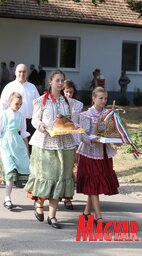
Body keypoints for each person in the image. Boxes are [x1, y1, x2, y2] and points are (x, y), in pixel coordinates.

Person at [24, 70, 76, 229]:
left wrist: (71, 125)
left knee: (60, 177)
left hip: (63, 142)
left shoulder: (67, 101)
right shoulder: (41, 101)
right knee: (45, 177)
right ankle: (39, 204)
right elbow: (34, 120)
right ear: (50, 82)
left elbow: (69, 120)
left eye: (62, 80)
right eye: (57, 80)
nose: (60, 83)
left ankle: (52, 216)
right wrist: (41, 126)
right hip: (44, 143)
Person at [76, 86, 120, 225]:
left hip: (103, 152)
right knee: (93, 183)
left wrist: (116, 139)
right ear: (93, 98)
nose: (103, 101)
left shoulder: (108, 114)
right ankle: (98, 217)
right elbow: (82, 135)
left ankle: (86, 213)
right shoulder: (86, 115)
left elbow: (111, 131)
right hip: (89, 153)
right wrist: (91, 139)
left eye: (105, 98)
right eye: (100, 98)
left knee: (95, 183)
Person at [0, 92, 30, 210]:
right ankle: (7, 197)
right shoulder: (4, 115)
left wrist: (27, 150)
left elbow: (24, 133)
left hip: (17, 144)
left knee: (24, 167)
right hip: (6, 144)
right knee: (10, 170)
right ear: (10, 103)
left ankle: (31, 194)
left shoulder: (21, 116)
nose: (18, 106)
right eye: (16, 104)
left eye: (20, 104)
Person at [0, 64, 40, 152]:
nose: (22, 74)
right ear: (15, 73)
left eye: (24, 72)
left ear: (27, 73)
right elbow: (2, 106)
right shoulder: (9, 87)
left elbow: (39, 106)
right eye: (19, 72)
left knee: (28, 150)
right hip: (13, 123)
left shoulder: (32, 87)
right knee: (14, 150)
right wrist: (1, 125)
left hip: (30, 123)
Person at [62, 79, 84, 210]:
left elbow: (79, 121)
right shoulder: (59, 103)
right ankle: (60, 194)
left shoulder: (78, 104)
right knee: (63, 168)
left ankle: (68, 197)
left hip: (74, 138)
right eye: (66, 92)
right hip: (62, 137)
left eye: (70, 92)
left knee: (73, 168)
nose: (68, 94)